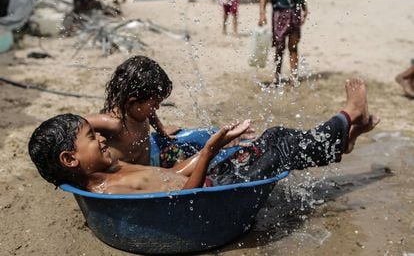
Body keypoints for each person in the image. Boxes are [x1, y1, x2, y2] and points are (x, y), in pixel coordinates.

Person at [28, 78, 379, 194]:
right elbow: (186, 197)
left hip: (211, 178)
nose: (101, 139)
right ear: (70, 159)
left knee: (274, 137)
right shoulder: (112, 187)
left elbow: (174, 175)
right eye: (91, 138)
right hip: (212, 190)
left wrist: (221, 144)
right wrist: (210, 151)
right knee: (281, 147)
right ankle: (347, 116)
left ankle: (340, 140)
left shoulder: (112, 170)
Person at [85, 56, 181, 167]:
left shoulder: (140, 110)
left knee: (177, 152)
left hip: (148, 167)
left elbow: (151, 114)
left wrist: (161, 129)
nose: (157, 107)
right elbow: (77, 124)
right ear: (133, 101)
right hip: (125, 178)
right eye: (154, 104)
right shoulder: (115, 123)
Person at [258, 0, 308, 86]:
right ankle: (277, 75)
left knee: (294, 45)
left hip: (295, 13)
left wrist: (305, 8)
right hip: (280, 15)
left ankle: (294, 76)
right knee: (280, 47)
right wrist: (262, 14)